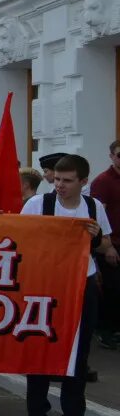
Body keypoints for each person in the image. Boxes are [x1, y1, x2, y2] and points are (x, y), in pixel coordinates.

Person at [22, 154, 112, 416]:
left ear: (83, 182)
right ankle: (38, 414)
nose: (59, 185)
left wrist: (96, 237)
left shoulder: (93, 206)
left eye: (67, 181)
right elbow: (20, 239)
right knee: (42, 348)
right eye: (57, 179)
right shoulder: (39, 204)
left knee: (80, 349)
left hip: (82, 284)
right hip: (47, 284)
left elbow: (106, 244)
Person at [88, 141, 120, 350]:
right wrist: (107, 246)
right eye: (119, 155)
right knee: (112, 289)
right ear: (111, 156)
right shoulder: (104, 181)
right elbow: (97, 216)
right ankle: (105, 331)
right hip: (113, 244)